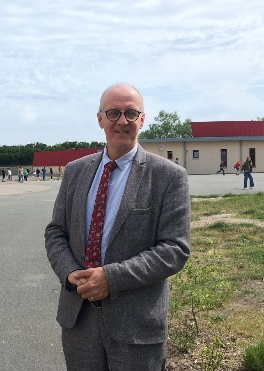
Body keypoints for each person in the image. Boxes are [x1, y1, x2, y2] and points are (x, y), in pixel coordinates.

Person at [45, 83, 191, 370]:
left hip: (136, 326)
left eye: (130, 113)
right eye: (113, 113)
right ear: (100, 119)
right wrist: (69, 271)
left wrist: (111, 278)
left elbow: (175, 249)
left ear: (142, 119)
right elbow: (56, 232)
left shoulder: (168, 177)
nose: (122, 121)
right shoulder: (75, 172)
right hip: (79, 320)